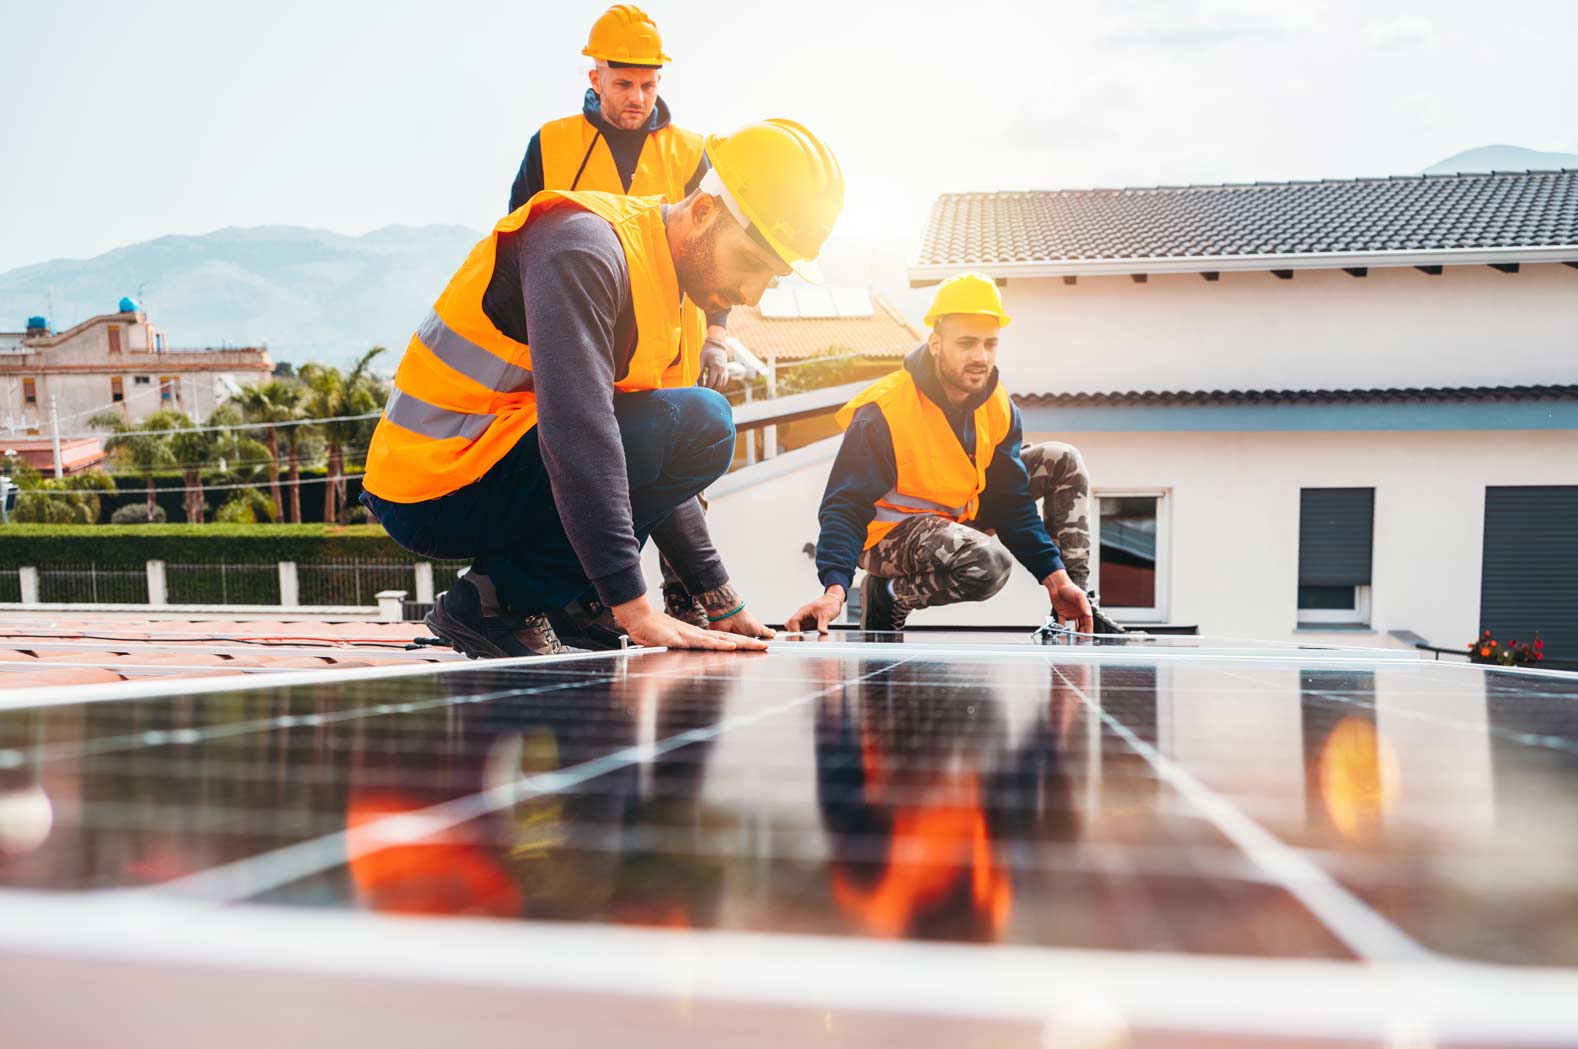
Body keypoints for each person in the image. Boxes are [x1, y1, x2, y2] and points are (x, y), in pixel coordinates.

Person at [361, 119, 845, 657]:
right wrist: (633, 607)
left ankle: (567, 604)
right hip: (433, 485)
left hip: (492, 463)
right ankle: (496, 603)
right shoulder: (584, 246)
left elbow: (655, 456)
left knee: (696, 428)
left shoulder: (670, 288)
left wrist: (718, 594)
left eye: (772, 277)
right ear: (704, 211)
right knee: (705, 423)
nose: (752, 293)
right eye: (753, 262)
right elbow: (580, 431)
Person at [508, 4, 740, 625]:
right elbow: (515, 244)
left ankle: (690, 605)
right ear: (596, 78)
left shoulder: (693, 152)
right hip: (581, 341)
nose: (637, 97)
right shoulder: (552, 145)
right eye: (623, 84)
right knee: (591, 463)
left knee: (671, 470)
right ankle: (590, 601)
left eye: (648, 84)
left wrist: (717, 334)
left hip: (666, 344)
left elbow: (717, 250)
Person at [786, 273, 1095, 635]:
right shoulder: (885, 411)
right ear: (935, 343)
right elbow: (845, 507)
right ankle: (888, 594)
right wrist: (835, 590)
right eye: (966, 343)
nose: (981, 357)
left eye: (990, 344)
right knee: (989, 563)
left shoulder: (999, 408)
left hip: (956, 516)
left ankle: (1076, 607)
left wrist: (1055, 580)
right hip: (887, 534)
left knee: (1062, 459)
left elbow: (1010, 503)